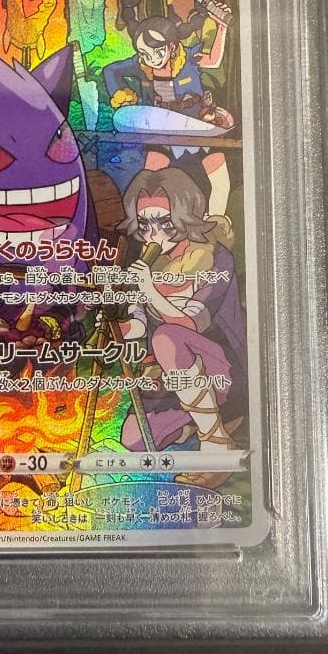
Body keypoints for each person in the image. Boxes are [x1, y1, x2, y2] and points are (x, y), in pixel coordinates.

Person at [116, 167, 246, 487]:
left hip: (224, 371)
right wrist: (117, 321)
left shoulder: (214, 257)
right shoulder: (149, 263)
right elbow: (137, 324)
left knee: (168, 337)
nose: (153, 233)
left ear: (185, 215)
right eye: (144, 224)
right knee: (135, 439)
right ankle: (215, 422)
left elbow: (189, 323)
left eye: (164, 222)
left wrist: (149, 290)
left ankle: (216, 442)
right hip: (176, 380)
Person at [103, 0, 234, 215]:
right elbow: (111, 71)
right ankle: (151, 226)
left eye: (157, 52)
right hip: (161, 131)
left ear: (172, 47)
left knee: (219, 180)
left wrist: (221, 27)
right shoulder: (141, 65)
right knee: (150, 182)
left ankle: (216, 225)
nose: (151, 59)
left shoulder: (188, 58)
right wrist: (122, 94)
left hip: (197, 126)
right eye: (144, 53)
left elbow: (213, 61)